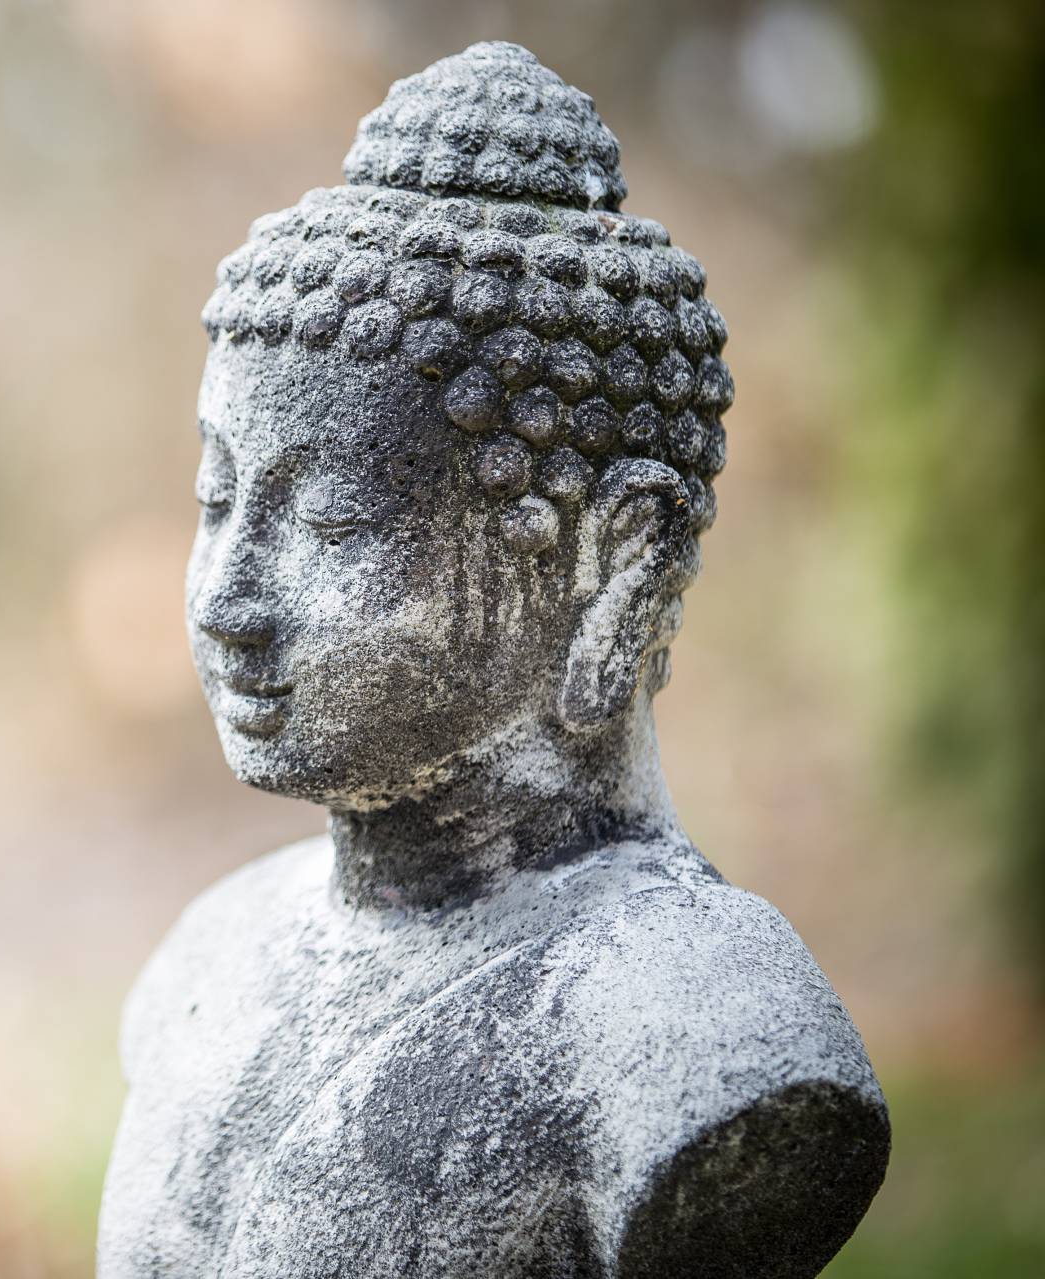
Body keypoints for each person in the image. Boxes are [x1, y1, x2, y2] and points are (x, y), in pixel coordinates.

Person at [98, 42, 888, 1279]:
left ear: (609, 565)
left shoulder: (686, 1024)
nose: (230, 601)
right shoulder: (209, 957)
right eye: (216, 500)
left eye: (337, 526)